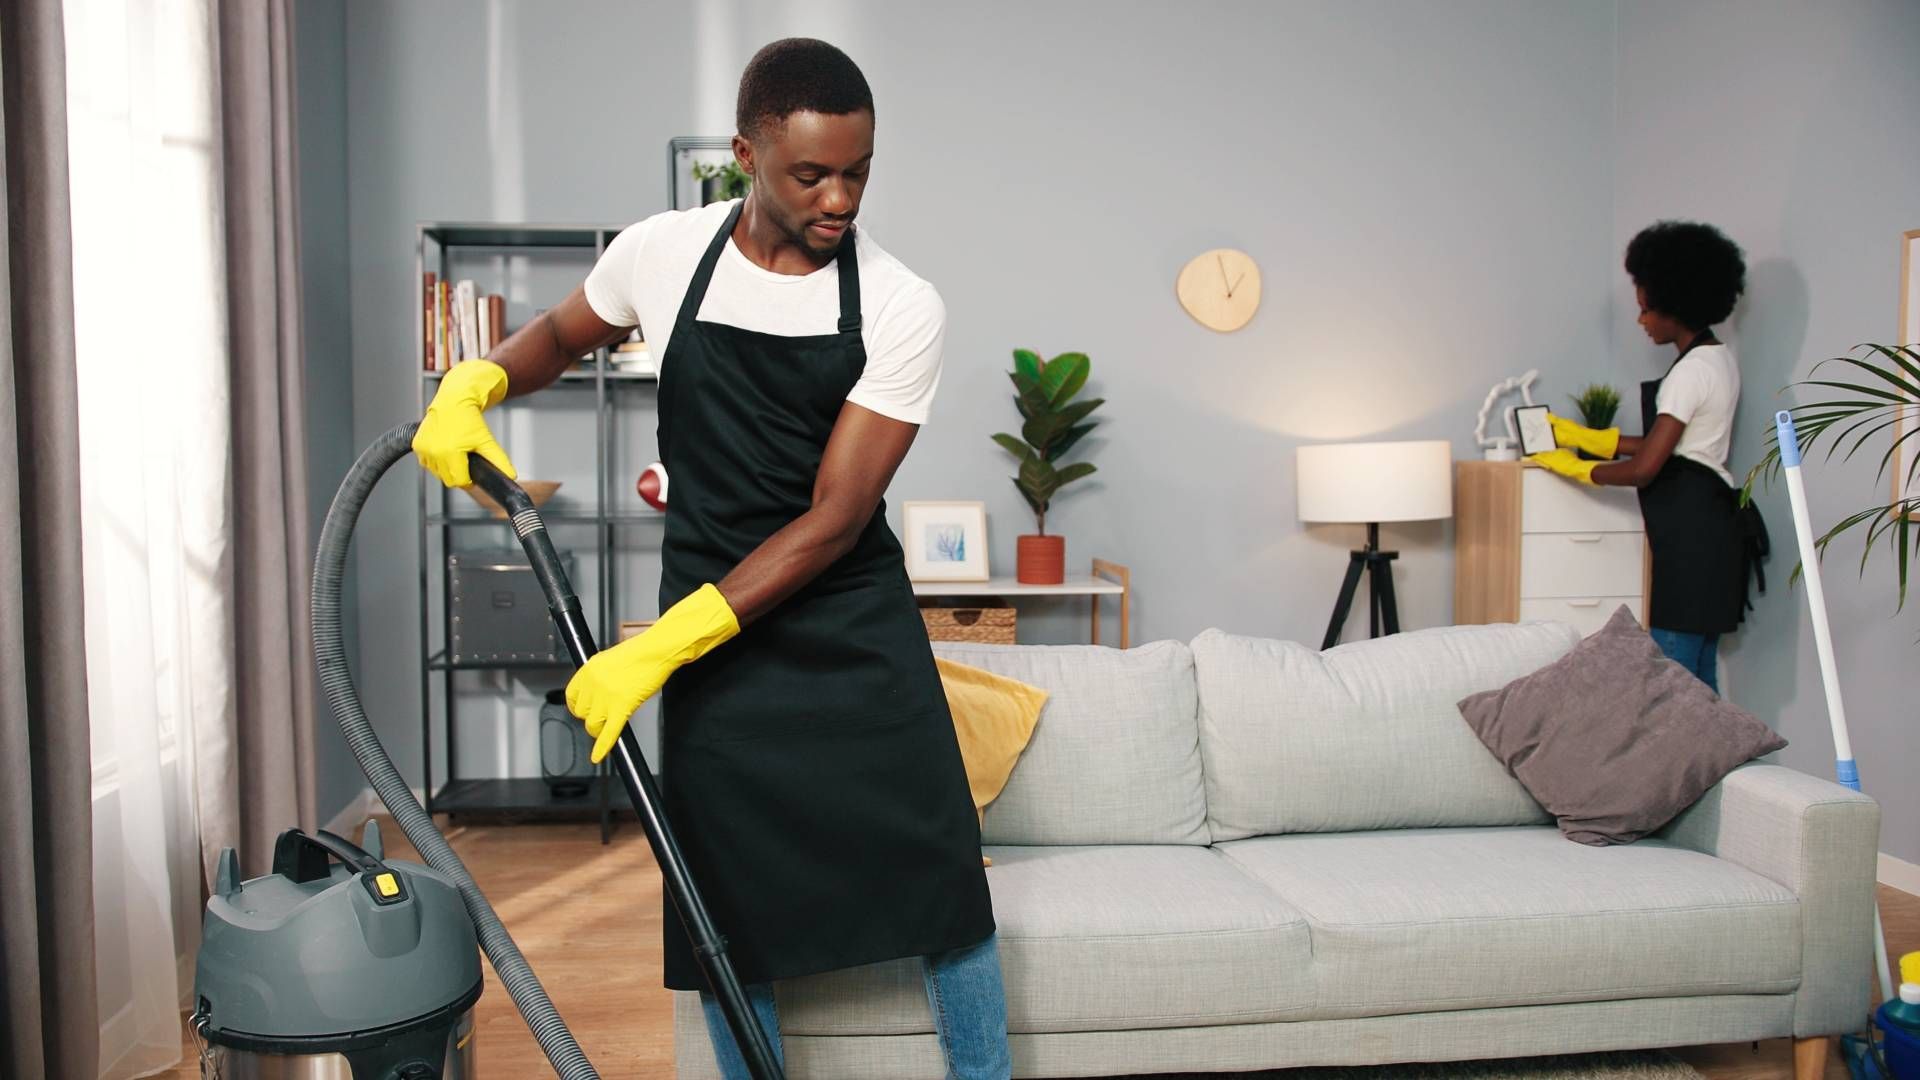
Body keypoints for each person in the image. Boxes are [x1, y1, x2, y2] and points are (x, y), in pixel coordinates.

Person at [409, 38, 1012, 1080]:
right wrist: (478, 383)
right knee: (720, 900)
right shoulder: (663, 253)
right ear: (747, 154)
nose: (840, 198)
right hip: (719, 646)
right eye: (810, 173)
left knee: (943, 882)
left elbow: (833, 517)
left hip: (845, 621)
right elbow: (554, 337)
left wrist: (663, 644)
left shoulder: (904, 304)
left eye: (858, 172)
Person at [1530, 220, 1759, 692]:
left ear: (1674, 304)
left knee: (1669, 681)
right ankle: (1712, 766)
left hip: (1691, 539)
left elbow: (1646, 465)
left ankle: (1681, 767)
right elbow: (1666, 440)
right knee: (1700, 678)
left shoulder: (1690, 372)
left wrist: (1576, 468)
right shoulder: (1719, 359)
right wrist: (1585, 437)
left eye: (1645, 310)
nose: (1642, 321)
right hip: (1712, 531)